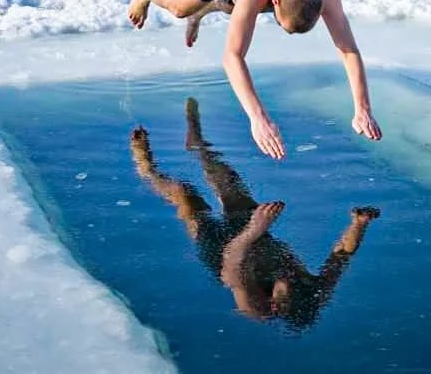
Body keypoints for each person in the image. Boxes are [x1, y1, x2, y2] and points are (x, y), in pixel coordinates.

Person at [129, 98, 380, 329]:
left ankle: (146, 168)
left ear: (274, 303)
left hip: (221, 248)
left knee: (185, 195)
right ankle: (198, 144)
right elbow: (341, 257)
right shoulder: (313, 292)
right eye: (295, 283)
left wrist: (255, 229)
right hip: (257, 234)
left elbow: (231, 265)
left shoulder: (254, 307)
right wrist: (359, 224)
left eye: (286, 288)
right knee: (226, 178)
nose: (289, 278)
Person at [127, 0, 382, 158]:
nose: (286, 34)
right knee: (178, 8)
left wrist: (363, 109)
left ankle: (203, 10)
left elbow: (348, 50)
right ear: (275, 2)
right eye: (285, 26)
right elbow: (232, 57)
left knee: (234, 9)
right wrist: (258, 118)